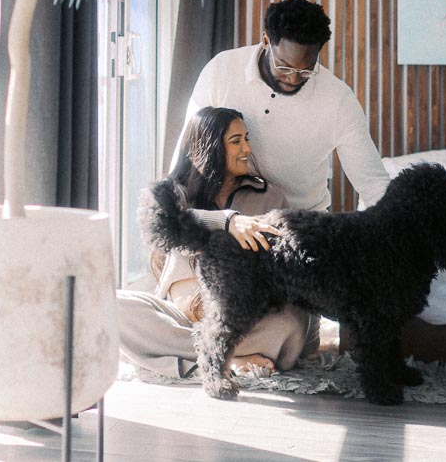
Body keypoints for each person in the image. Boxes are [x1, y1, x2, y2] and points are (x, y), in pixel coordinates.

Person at [118, 106, 310, 378]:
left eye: (246, 139)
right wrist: (227, 221)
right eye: (236, 141)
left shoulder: (270, 197)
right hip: (179, 318)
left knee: (292, 323)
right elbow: (166, 223)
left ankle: (205, 356)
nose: (246, 149)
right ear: (209, 148)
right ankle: (226, 358)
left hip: (240, 323)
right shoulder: (175, 193)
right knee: (112, 305)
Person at [179, 0, 392, 230]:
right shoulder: (222, 69)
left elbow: (373, 183)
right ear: (266, 41)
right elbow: (187, 151)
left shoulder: (338, 99)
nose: (293, 79)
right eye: (283, 66)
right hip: (223, 220)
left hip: (301, 226)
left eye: (306, 70)